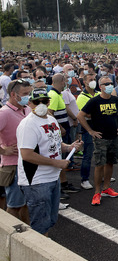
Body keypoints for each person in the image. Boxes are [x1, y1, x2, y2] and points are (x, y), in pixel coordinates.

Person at [17, 88, 82, 235]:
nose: (41, 105)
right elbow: (26, 154)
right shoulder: (28, 124)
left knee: (51, 220)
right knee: (40, 224)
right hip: (37, 180)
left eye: (44, 101)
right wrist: (57, 163)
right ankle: (39, 249)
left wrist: (69, 147)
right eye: (37, 102)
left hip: (53, 177)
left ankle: (43, 242)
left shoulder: (52, 120)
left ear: (49, 102)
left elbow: (56, 144)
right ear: (30, 103)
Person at [77, 77, 118, 206]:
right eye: (107, 84)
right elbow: (80, 115)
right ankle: (97, 192)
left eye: (111, 83)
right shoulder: (94, 101)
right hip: (101, 138)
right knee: (99, 165)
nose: (110, 85)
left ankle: (106, 187)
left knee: (110, 162)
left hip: (113, 137)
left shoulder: (115, 100)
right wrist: (90, 131)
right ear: (101, 87)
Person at [0, 80, 31, 223]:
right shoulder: (4, 113)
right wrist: (3, 150)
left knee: (25, 204)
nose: (28, 97)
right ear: (13, 94)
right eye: (25, 94)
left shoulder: (28, 109)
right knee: (14, 205)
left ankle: (28, 235)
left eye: (29, 93)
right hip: (13, 166)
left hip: (29, 163)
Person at [76, 73, 98, 190]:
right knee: (88, 155)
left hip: (100, 127)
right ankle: (84, 179)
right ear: (84, 82)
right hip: (88, 128)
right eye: (90, 79)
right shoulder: (82, 97)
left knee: (100, 153)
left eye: (94, 79)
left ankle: (101, 175)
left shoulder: (99, 94)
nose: (93, 81)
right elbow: (86, 115)